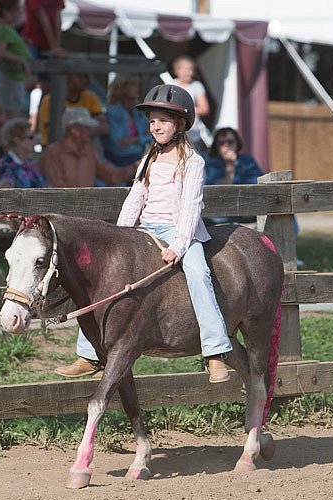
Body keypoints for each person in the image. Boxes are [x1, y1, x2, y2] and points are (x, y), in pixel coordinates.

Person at [54, 84, 233, 384]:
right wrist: (120, 235)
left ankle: (215, 351)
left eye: (163, 120)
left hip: (180, 231)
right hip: (145, 229)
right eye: (152, 120)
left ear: (180, 124)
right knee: (105, 279)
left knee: (199, 273)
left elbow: (191, 206)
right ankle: (89, 353)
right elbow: (136, 197)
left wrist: (179, 244)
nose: (156, 126)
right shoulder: (149, 157)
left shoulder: (193, 162)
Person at [0, 0, 35, 170]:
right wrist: (21, 59)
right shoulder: (4, 29)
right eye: (16, 10)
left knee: (1, 123)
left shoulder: (6, 29)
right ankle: (9, 164)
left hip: (10, 82)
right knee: (12, 128)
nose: (19, 13)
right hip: (9, 82)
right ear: (6, 12)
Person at [38, 107, 135, 188]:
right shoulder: (54, 152)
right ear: (72, 129)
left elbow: (112, 175)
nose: (90, 130)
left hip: (84, 206)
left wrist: (136, 167)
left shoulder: (89, 152)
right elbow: (57, 188)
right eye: (86, 127)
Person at [203, 127, 263, 224]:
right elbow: (217, 193)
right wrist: (230, 166)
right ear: (216, 146)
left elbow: (257, 184)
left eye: (230, 142)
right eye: (221, 143)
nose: (226, 145)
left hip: (247, 208)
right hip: (221, 212)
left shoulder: (247, 160)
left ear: (237, 143)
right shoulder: (213, 164)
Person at [36, 72, 107, 147]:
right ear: (68, 77)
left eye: (89, 76)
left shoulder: (90, 97)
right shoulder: (50, 100)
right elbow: (54, 132)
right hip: (56, 149)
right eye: (82, 76)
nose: (88, 81)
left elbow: (105, 127)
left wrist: (83, 131)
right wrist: (86, 129)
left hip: (82, 150)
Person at [103, 74, 152, 167]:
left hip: (139, 157)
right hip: (118, 162)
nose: (137, 88)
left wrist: (134, 140)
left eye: (138, 85)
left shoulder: (138, 112)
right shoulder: (113, 112)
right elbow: (119, 144)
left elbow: (152, 135)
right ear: (122, 87)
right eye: (133, 84)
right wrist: (142, 138)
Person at [0, 117, 46, 188]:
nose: (35, 141)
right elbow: (5, 192)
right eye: (30, 137)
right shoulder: (6, 166)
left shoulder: (30, 164)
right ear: (17, 140)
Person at [172, 56, 210, 151]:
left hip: (193, 132)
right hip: (174, 131)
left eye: (191, 69)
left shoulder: (197, 86)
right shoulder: (171, 85)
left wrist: (184, 111)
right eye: (186, 69)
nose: (190, 73)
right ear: (177, 70)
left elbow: (204, 108)